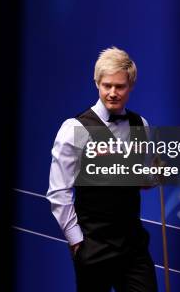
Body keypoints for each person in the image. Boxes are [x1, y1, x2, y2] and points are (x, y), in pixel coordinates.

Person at [46, 47, 157, 292]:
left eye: (120, 86)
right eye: (107, 85)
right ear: (97, 83)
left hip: (133, 245)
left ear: (131, 86)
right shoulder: (74, 128)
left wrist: (155, 176)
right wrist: (76, 241)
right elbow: (58, 191)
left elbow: (137, 178)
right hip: (94, 245)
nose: (113, 93)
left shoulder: (142, 125)